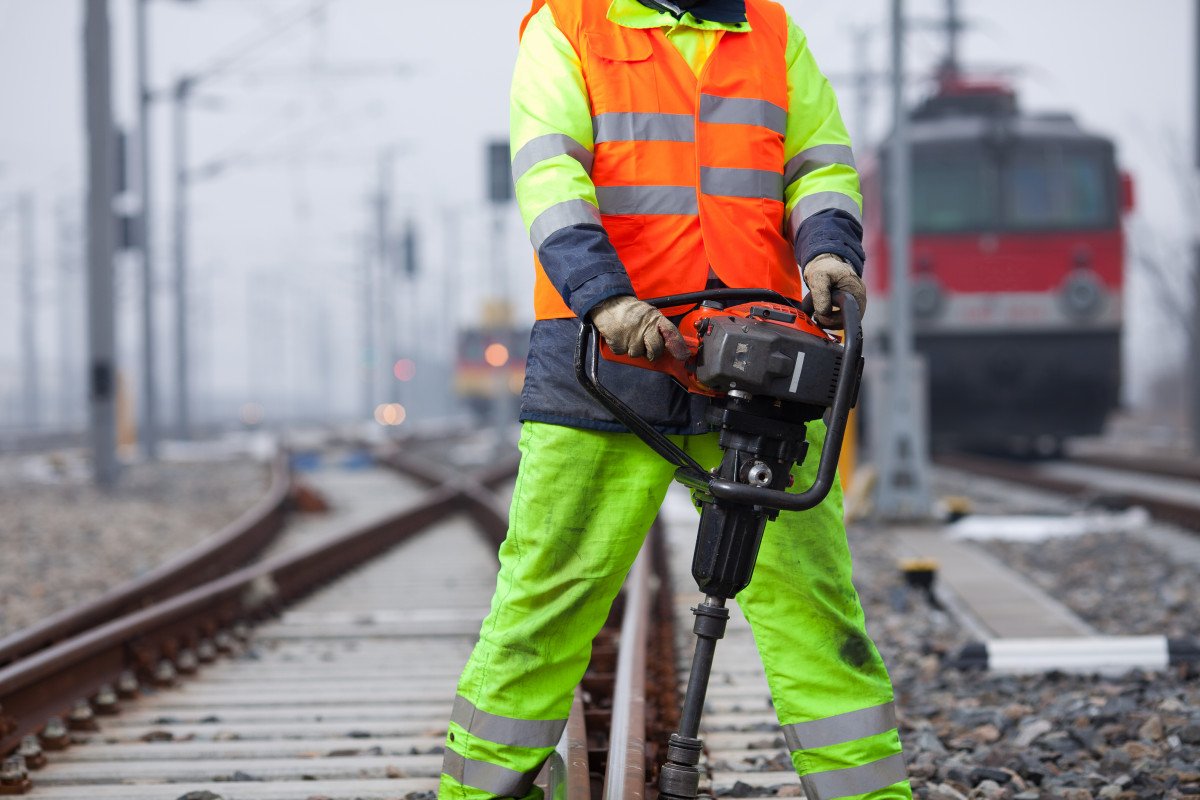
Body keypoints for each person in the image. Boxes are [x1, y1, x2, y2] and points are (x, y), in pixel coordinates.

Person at [439, 0, 911, 797]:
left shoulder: (769, 30)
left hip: (757, 361)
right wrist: (605, 298)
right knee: (547, 595)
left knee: (813, 603)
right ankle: (480, 790)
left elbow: (821, 164)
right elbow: (551, 178)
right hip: (607, 356)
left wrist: (829, 249)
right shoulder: (571, 24)